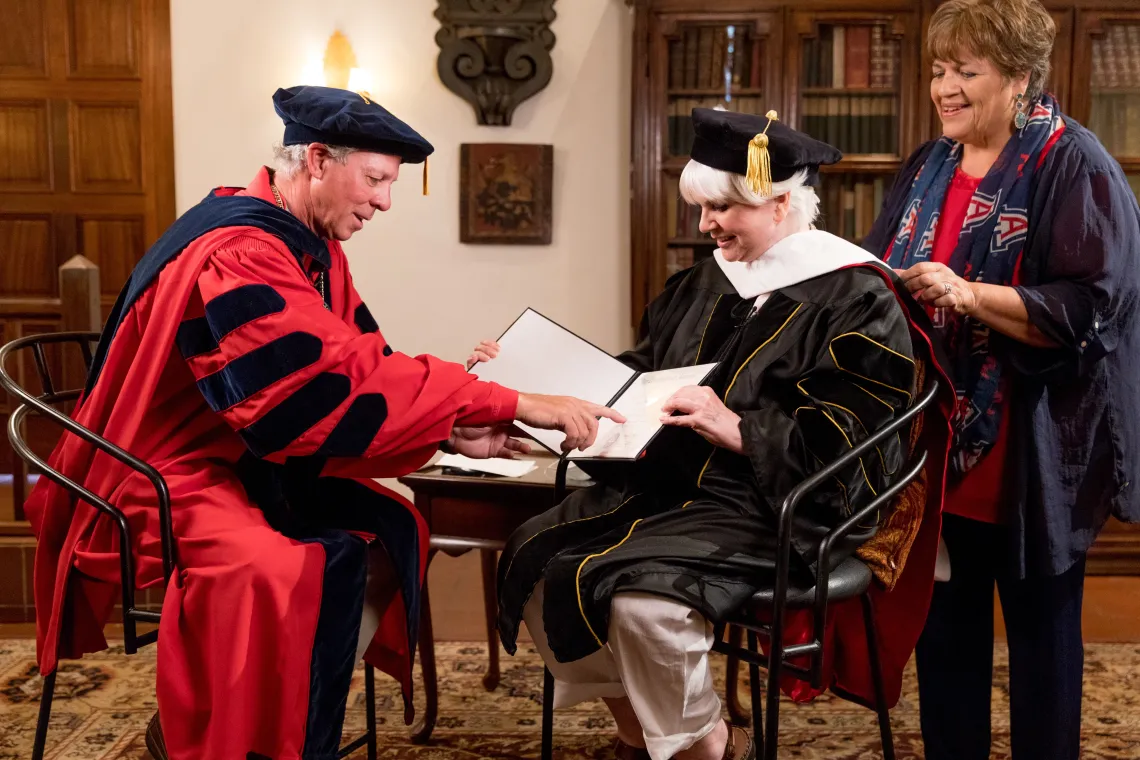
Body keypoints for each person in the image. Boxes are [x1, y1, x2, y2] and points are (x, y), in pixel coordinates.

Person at [22, 85, 622, 760]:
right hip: (159, 468)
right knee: (276, 569)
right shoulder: (239, 251)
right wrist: (504, 401)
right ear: (315, 160)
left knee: (394, 524)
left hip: (239, 456)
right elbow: (304, 398)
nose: (384, 202)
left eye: (390, 184)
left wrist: (455, 425)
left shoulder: (309, 246)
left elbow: (363, 364)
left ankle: (295, 718)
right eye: (374, 179)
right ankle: (221, 740)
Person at [484, 108, 952, 760]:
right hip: (669, 484)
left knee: (644, 602)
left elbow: (858, 440)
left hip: (777, 502)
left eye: (722, 209)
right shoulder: (704, 282)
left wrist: (739, 429)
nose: (705, 226)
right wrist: (535, 399)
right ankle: (655, 733)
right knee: (533, 562)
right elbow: (640, 378)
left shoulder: (857, 298)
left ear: (781, 202)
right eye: (701, 207)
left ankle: (700, 744)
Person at [860, 1, 1140, 758]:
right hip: (935, 454)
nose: (944, 87)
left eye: (966, 71)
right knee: (945, 647)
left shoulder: (1073, 163)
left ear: (1019, 77)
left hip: (1031, 457)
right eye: (938, 70)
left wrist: (968, 293)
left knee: (1043, 655)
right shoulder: (929, 164)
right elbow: (881, 270)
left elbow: (1094, 304)